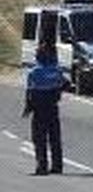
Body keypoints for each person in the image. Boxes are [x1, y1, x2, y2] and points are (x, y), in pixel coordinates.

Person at [22, 45, 67, 175]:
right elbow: (65, 84)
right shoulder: (56, 71)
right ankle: (57, 166)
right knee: (55, 137)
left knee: (39, 139)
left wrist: (27, 108)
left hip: (39, 109)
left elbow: (30, 91)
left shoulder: (34, 72)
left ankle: (42, 166)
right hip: (52, 107)